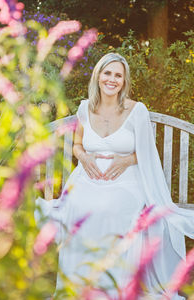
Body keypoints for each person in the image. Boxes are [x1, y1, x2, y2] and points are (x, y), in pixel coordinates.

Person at [35, 53, 194, 299]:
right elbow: (78, 145)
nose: (112, 79)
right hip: (88, 177)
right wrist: (83, 156)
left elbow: (147, 152)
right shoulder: (85, 109)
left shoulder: (136, 110)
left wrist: (128, 159)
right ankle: (81, 283)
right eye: (107, 73)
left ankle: (116, 286)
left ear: (124, 81)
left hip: (126, 179)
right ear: (98, 76)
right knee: (79, 206)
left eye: (118, 75)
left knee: (112, 207)